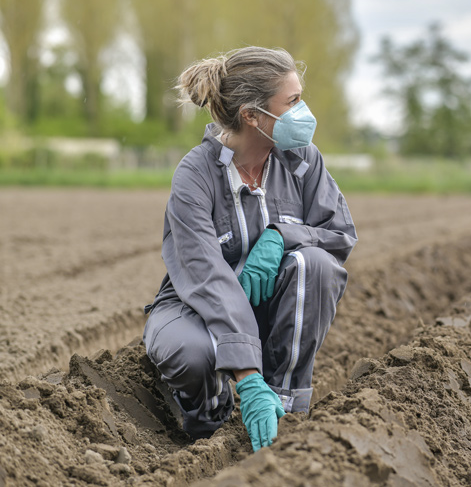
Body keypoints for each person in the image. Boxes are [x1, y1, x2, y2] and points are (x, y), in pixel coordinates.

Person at [142, 46, 357, 452]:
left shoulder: (303, 160)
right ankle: (212, 418)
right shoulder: (195, 174)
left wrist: (281, 235)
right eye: (292, 102)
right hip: (197, 306)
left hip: (269, 307)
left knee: (316, 266)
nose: (304, 111)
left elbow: (339, 233)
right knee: (191, 355)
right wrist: (246, 375)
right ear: (252, 116)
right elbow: (204, 274)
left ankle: (285, 404)